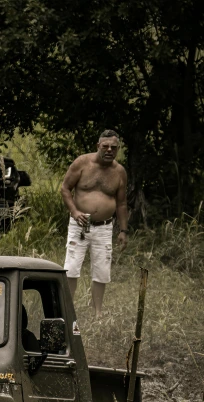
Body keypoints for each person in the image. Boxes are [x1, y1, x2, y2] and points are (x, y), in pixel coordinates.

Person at [60, 129, 128, 319]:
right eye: (105, 146)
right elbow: (65, 188)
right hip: (79, 224)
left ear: (118, 149)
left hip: (105, 227)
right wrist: (74, 211)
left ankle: (97, 311)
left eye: (113, 148)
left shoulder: (119, 172)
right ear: (98, 146)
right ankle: (68, 310)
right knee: (71, 268)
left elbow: (122, 203)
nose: (109, 150)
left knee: (102, 270)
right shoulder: (82, 162)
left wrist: (123, 230)